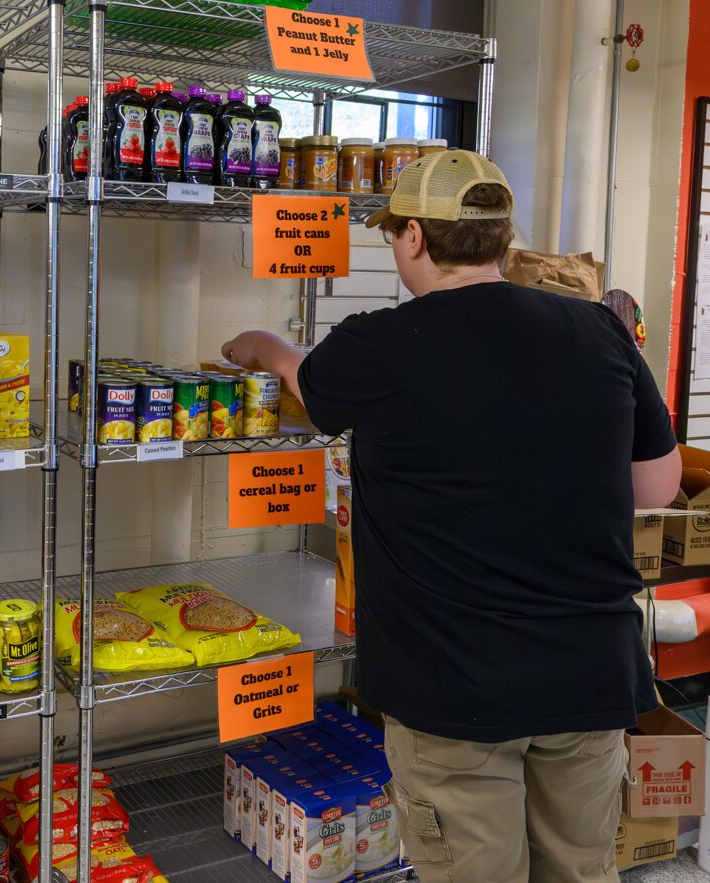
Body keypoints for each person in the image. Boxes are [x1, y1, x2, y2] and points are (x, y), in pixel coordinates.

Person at [222, 150, 681, 883]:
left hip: (454, 684)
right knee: (580, 869)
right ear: (501, 239)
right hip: (589, 672)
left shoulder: (381, 343)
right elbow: (657, 484)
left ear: (412, 239)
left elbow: (303, 379)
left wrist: (264, 346)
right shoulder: (599, 329)